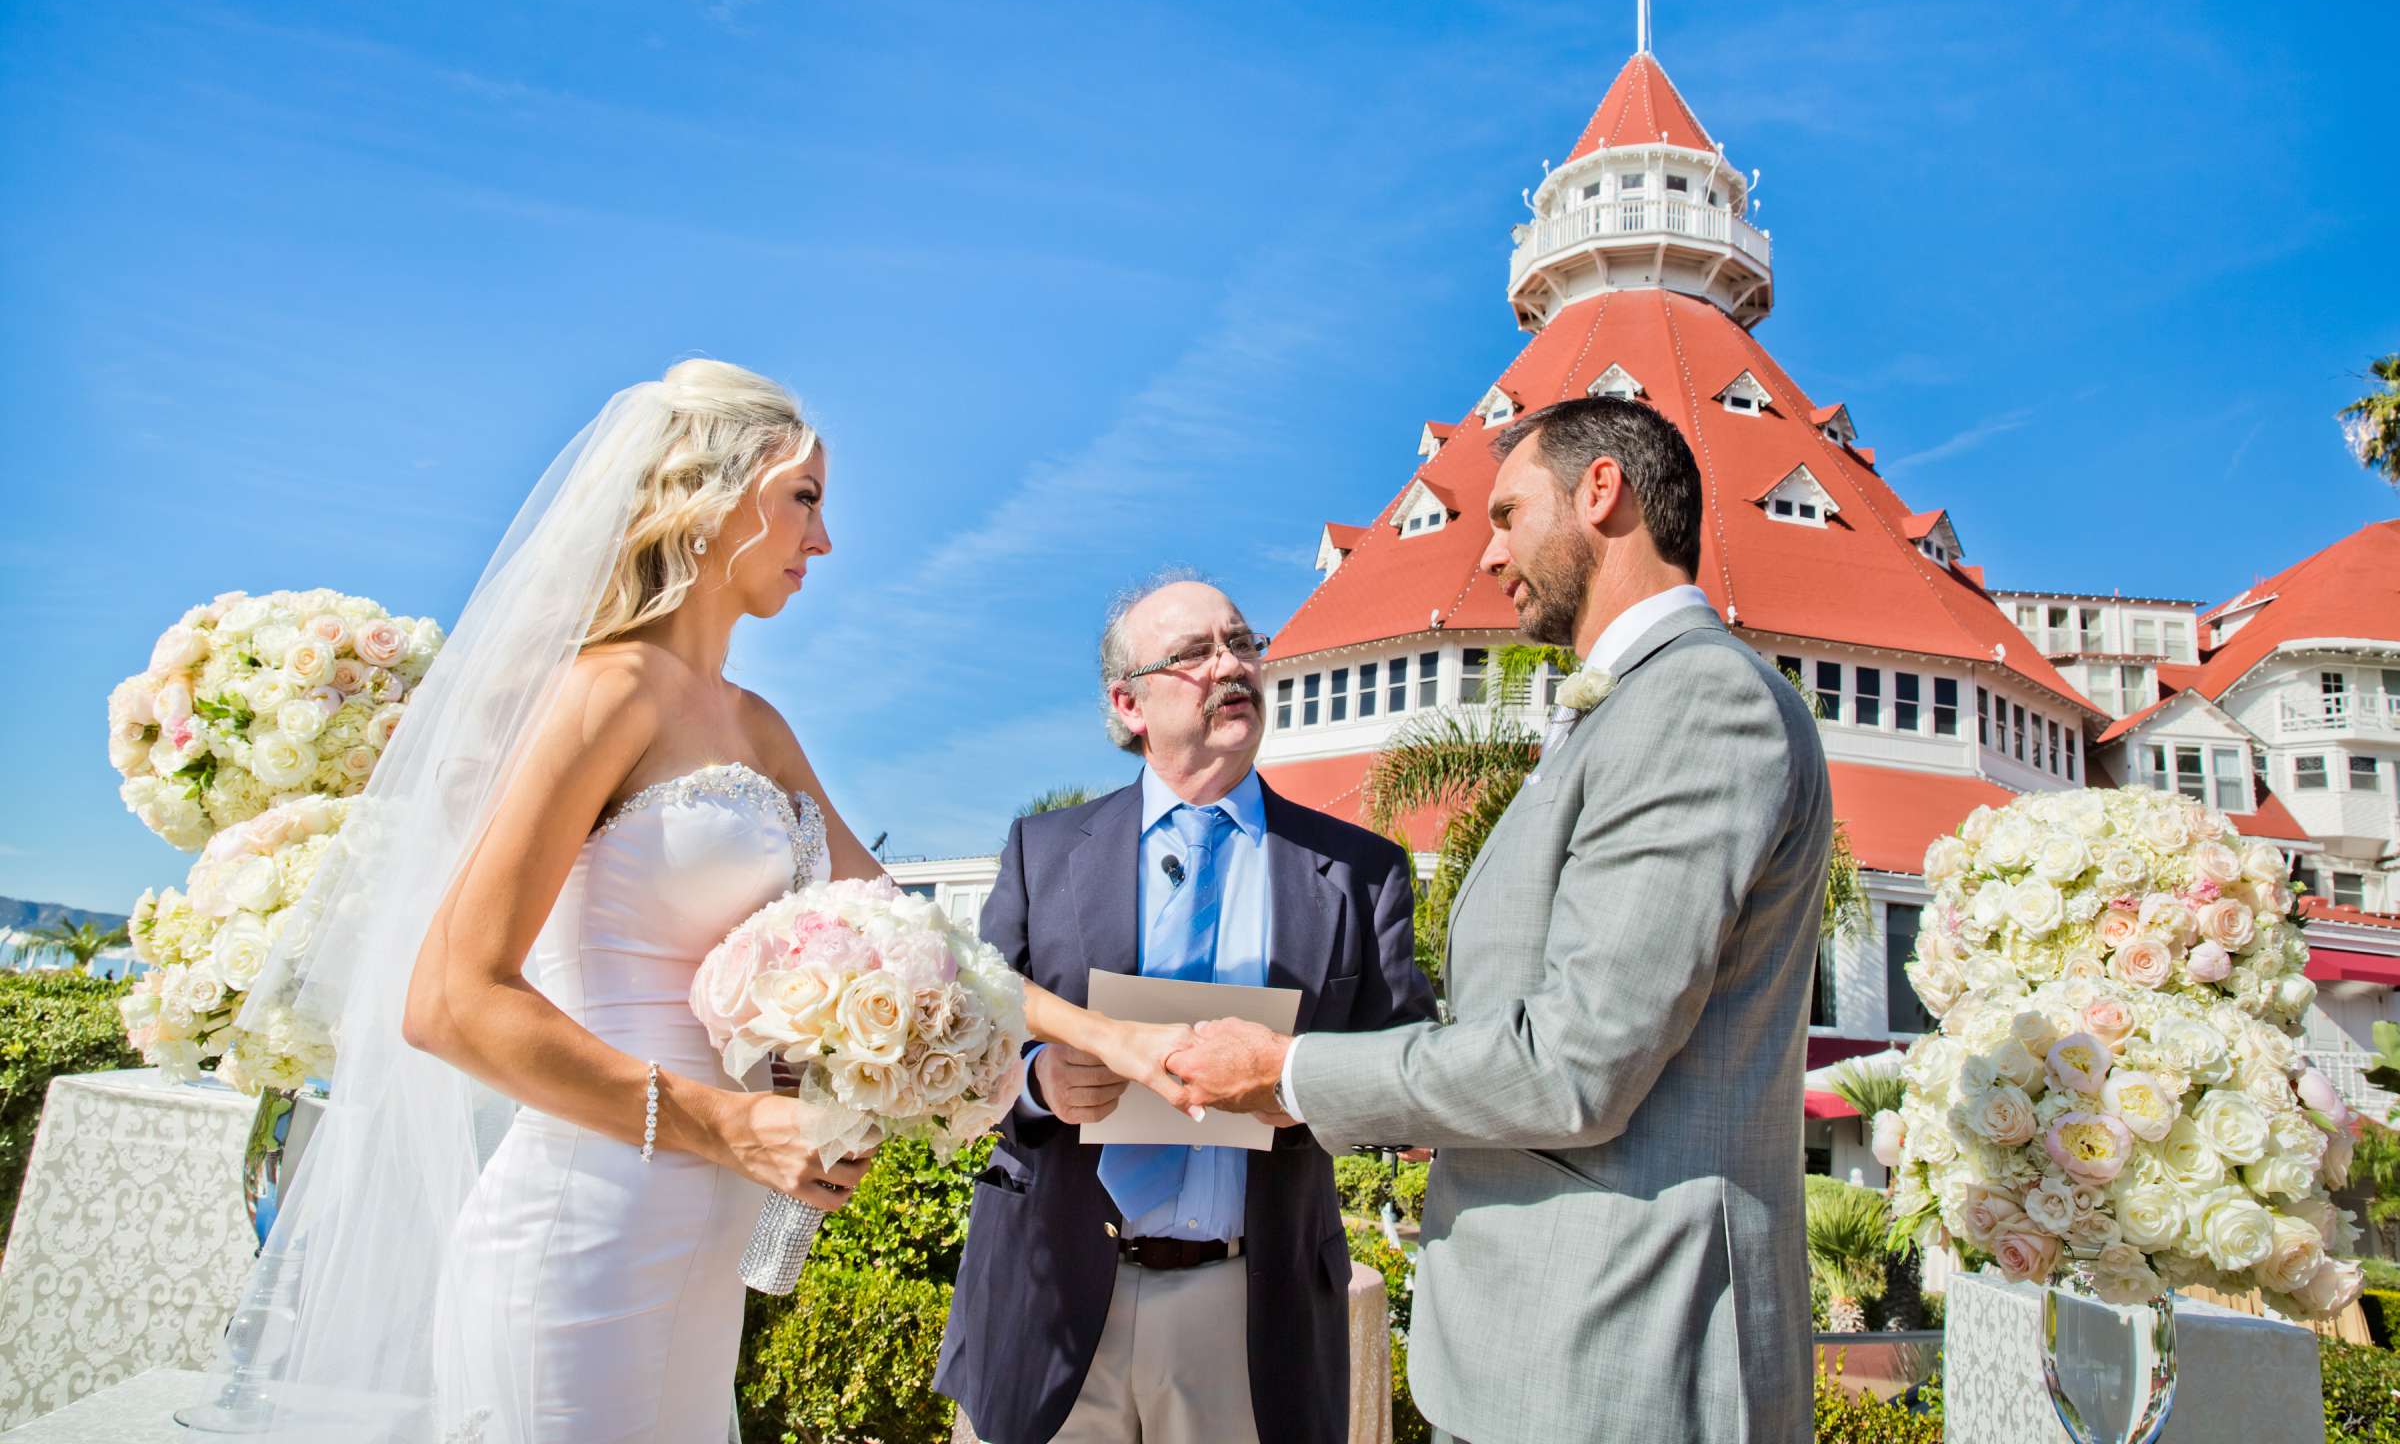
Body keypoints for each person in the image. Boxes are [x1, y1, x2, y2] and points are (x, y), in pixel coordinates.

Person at [205, 361, 1188, 1443]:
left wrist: (1118, 1043)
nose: (825, 541)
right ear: (715, 496)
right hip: (582, 1230)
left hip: (709, 1238)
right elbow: (448, 999)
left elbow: (927, 936)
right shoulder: (604, 692)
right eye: (805, 497)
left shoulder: (759, 725)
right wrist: (732, 1126)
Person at [1168, 396, 1834, 1444]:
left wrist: (1286, 1074)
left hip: (1621, 1354)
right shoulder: (1622, 707)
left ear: (1601, 492)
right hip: (1541, 1348)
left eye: (1509, 512)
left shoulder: (1702, 702)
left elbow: (1573, 1063)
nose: (1488, 553)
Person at [935, 576, 1436, 1444]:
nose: (1231, 666)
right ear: (1129, 703)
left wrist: (1294, 1082)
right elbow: (968, 1036)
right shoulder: (1042, 853)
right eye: (1196, 653)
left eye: (1242, 643)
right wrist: (1041, 1082)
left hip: (1249, 1310)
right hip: (1052, 1296)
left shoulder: (1361, 871)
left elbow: (1410, 1073)